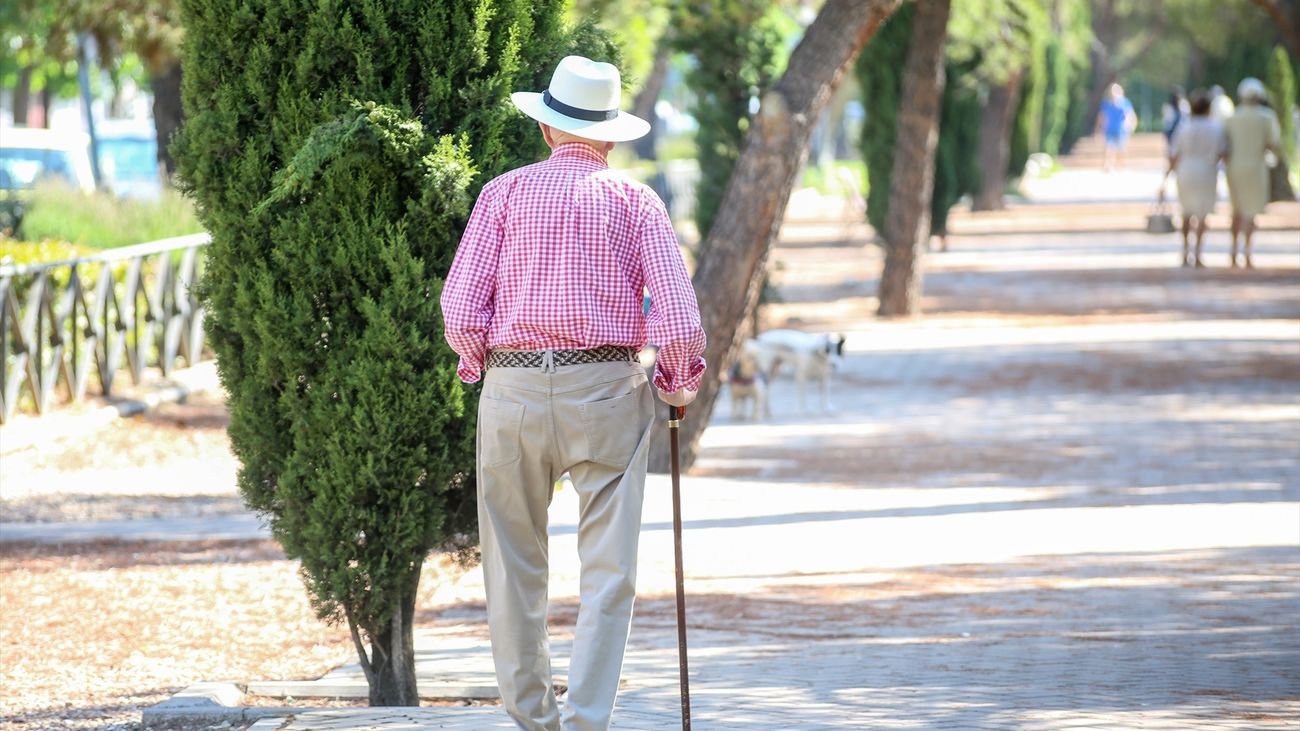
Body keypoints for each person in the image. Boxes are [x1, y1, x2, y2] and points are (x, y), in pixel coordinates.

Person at [441, 55, 706, 731]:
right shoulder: (635, 201)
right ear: (611, 137)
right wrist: (677, 384)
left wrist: (486, 366)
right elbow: (677, 321)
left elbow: (461, 311)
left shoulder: (502, 193)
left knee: (512, 566)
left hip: (513, 387)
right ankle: (587, 720)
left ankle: (535, 721)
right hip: (608, 389)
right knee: (610, 570)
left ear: (546, 129)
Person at [1224, 77, 1283, 269]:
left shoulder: (1233, 117)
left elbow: (1225, 144)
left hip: (1235, 167)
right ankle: (1247, 253)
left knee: (1237, 210)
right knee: (1250, 212)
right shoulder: (1267, 117)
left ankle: (1233, 251)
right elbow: (1274, 143)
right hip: (1256, 167)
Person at [1168, 93, 1227, 268]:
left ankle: (1185, 251)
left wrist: (1168, 174)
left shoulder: (1184, 127)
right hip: (1206, 172)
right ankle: (1198, 253)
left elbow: (1173, 154)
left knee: (1186, 213)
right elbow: (1223, 153)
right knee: (1202, 215)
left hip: (1186, 171)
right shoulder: (1216, 128)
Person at [1097, 83, 1137, 172]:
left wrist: (1132, 125)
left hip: (1121, 129)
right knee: (1108, 147)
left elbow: (1130, 114)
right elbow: (1102, 116)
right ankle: (1107, 165)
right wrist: (1099, 128)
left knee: (1121, 148)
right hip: (1109, 128)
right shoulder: (1106, 103)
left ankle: (1120, 165)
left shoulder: (1125, 102)